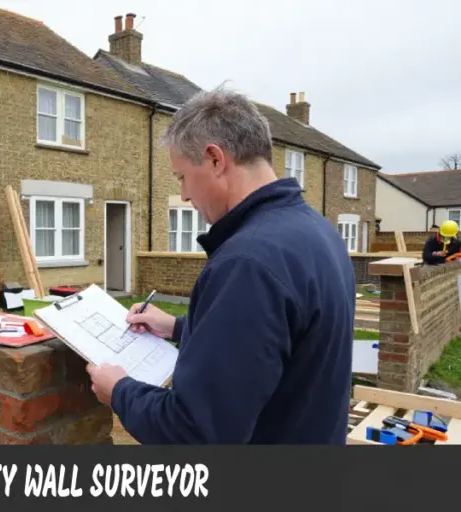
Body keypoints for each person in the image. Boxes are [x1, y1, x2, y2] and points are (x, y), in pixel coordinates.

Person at [86, 86, 356, 444]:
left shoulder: (248, 262)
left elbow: (194, 431)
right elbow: (272, 341)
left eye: (182, 176)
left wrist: (119, 390)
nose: (183, 194)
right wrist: (180, 327)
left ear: (215, 159)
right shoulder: (317, 231)